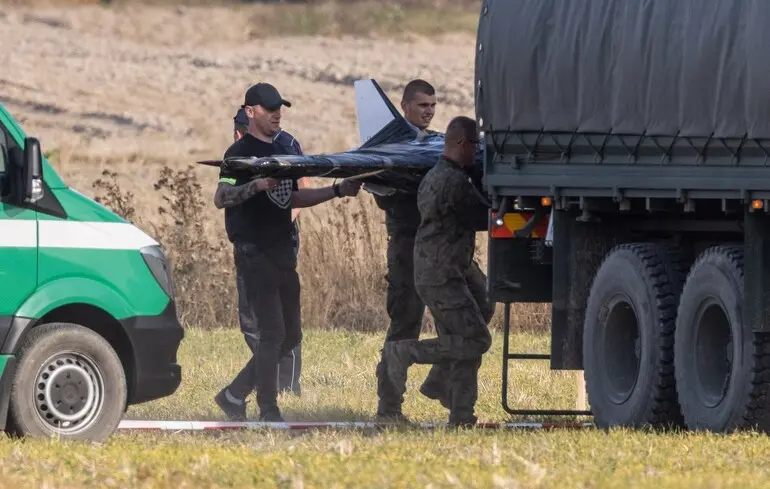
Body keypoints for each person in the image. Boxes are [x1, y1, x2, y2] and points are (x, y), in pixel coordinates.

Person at [214, 82, 362, 422]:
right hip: (253, 250)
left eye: (279, 107)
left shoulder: (285, 148)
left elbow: (293, 198)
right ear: (251, 112)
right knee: (272, 332)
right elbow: (221, 197)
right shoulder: (239, 154)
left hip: (282, 248)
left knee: (291, 333)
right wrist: (254, 185)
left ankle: (234, 394)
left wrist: (337, 190)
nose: (277, 114)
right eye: (269, 109)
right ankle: (268, 408)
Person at [381, 115, 494, 427]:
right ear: (460, 144)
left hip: (450, 267)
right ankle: (405, 353)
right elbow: (482, 217)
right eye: (474, 145)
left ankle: (457, 408)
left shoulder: (437, 175)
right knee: (475, 339)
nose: (476, 152)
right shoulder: (452, 182)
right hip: (442, 273)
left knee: (480, 308)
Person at [371, 79, 449, 422]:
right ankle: (389, 408)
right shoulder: (395, 146)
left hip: (440, 245)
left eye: (432, 105)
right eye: (422, 105)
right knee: (405, 323)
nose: (428, 111)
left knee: (469, 315)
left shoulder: (436, 142)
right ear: (404, 106)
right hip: (406, 246)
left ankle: (440, 382)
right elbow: (378, 190)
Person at [231, 107, 308, 397]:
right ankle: (268, 381)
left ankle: (286, 385)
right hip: (250, 242)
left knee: (280, 319)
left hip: (278, 241)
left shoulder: (286, 145)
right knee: (253, 320)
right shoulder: (239, 153)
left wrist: (276, 224)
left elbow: (303, 188)